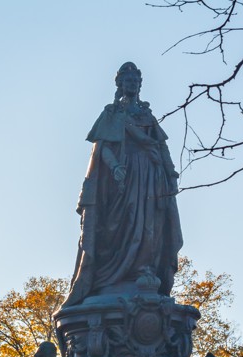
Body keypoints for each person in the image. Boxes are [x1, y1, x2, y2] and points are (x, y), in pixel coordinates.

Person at [64, 62, 183, 306]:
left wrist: (170, 174)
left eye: (135, 81)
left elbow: (160, 145)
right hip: (121, 179)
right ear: (119, 85)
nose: (132, 85)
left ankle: (144, 271)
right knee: (119, 224)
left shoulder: (147, 115)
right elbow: (103, 148)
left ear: (140, 85)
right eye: (127, 81)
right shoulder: (112, 113)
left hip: (150, 176)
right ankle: (112, 276)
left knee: (150, 225)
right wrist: (115, 167)